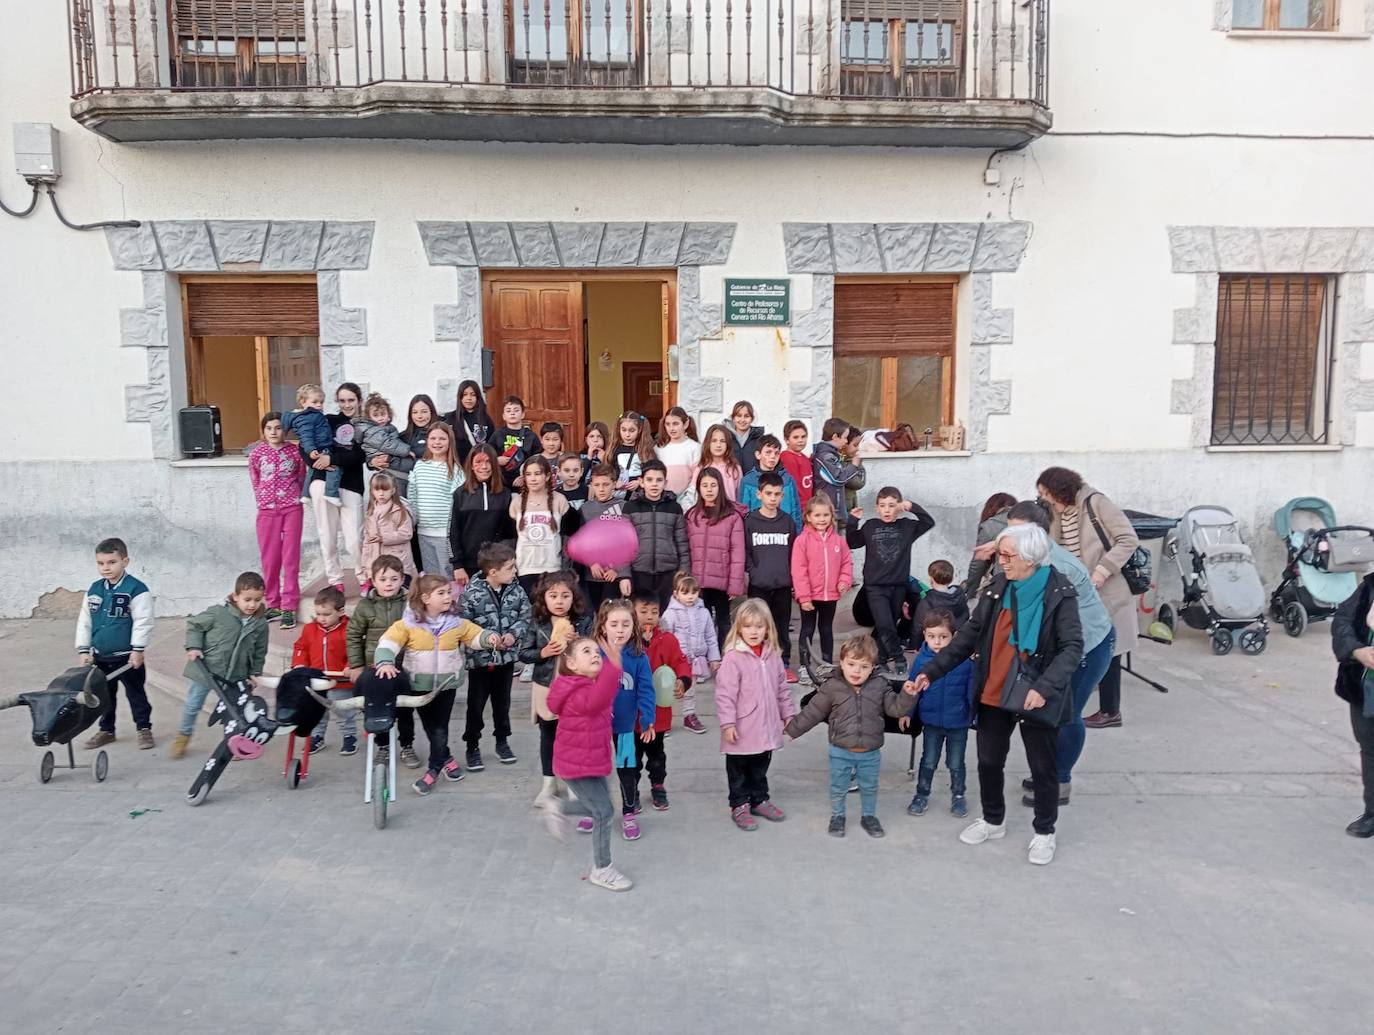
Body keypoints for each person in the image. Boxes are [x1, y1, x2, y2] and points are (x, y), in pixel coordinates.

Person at [909, 524, 1084, 866]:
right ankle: (993, 820)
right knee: (989, 761)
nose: (1001, 562)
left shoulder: (1060, 592)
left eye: (1008, 555)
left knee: (1043, 767)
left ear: (1031, 557)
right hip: (994, 688)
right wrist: (931, 670)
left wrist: (1044, 687)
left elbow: (1071, 648)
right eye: (1000, 555)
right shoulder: (999, 587)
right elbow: (969, 635)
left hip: (1035, 692)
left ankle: (1044, 832)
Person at [1002, 500, 1115, 807]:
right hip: (1058, 646)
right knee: (1046, 714)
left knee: (1065, 713)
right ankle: (1047, 772)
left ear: (1036, 534)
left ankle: (1059, 780)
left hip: (1087, 646)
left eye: (1015, 532)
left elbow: (1063, 633)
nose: (1006, 540)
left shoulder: (1059, 569)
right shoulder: (1022, 558)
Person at [373, 573, 500, 795]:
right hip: (418, 687)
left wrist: (488, 638)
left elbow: (474, 635)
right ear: (425, 598)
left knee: (439, 727)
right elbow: (388, 643)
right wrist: (384, 662)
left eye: (449, 592)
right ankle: (447, 757)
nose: (448, 597)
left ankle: (433, 770)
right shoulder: (407, 624)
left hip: (446, 686)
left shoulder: (457, 623)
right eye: (441, 593)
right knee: (432, 728)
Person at [1036, 466, 1140, 729]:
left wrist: (1103, 571)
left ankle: (1110, 711)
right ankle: (1088, 690)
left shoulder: (1096, 502)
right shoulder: (1060, 512)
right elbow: (1055, 546)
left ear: (1060, 490)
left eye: (1045, 493)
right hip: (1079, 590)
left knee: (1110, 648)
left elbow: (1128, 539)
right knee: (1080, 643)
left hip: (1106, 588)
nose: (1043, 499)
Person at [786, 633, 916, 838]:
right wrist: (792, 730)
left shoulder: (880, 685)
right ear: (842, 663)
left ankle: (869, 816)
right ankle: (838, 816)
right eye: (852, 664)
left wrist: (907, 694)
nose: (857, 671)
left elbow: (895, 709)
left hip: (870, 752)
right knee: (838, 787)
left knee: (870, 787)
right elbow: (813, 712)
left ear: (873, 667)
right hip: (840, 750)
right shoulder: (832, 687)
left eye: (864, 666)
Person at [545, 637, 634, 891]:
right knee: (604, 812)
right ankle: (602, 869)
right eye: (587, 651)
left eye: (597, 651)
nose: (596, 655)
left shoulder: (586, 684)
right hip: (578, 765)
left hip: (591, 761)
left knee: (599, 808)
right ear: (571, 663)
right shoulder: (576, 690)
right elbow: (597, 700)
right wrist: (613, 667)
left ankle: (558, 806)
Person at [715, 598, 795, 831]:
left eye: (759, 626)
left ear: (767, 628)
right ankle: (739, 804)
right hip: (742, 726)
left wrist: (787, 714)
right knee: (739, 767)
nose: (753, 631)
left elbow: (782, 688)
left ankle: (759, 799)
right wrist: (728, 723)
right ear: (739, 628)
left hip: (766, 724)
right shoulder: (733, 658)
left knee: (761, 764)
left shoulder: (773, 656)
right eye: (748, 626)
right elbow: (725, 694)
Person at [173, 572, 269, 760]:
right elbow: (195, 625)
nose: (252, 605)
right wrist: (194, 646)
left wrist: (254, 672)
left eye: (257, 600)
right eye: (247, 599)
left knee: (235, 710)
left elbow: (260, 650)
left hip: (237, 675)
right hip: (208, 670)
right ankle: (183, 735)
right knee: (193, 704)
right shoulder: (218, 613)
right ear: (235, 597)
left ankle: (236, 743)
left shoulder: (260, 623)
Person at [846, 487, 937, 677]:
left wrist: (912, 507)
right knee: (886, 625)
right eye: (882, 506)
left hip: (898, 586)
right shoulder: (870, 526)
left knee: (884, 627)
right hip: (875, 587)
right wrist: (853, 521)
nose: (887, 510)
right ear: (877, 508)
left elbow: (928, 522)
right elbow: (852, 542)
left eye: (892, 505)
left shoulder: (907, 527)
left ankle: (878, 660)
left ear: (899, 507)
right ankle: (898, 657)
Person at [458, 543, 533, 771]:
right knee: (476, 705)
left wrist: (513, 635)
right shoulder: (471, 593)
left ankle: (502, 741)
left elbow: (525, 615)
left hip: (506, 660)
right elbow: (463, 624)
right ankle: (472, 746)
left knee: (503, 704)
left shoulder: (517, 590)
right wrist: (485, 638)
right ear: (493, 571)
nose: (515, 572)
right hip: (480, 662)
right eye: (510, 568)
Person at [76, 537, 155, 751]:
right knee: (104, 697)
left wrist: (138, 650)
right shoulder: (94, 589)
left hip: (127, 658)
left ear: (125, 561)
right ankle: (106, 730)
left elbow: (143, 621)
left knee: (136, 694)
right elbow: (85, 620)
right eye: (101, 563)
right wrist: (84, 649)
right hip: (100, 656)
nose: (106, 568)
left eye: (112, 562)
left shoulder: (137, 589)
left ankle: (143, 728)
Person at [521, 571, 591, 809]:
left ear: (574, 598)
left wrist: (578, 641)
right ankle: (549, 783)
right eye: (553, 596)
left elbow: (594, 652)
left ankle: (573, 784)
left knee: (573, 738)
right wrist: (544, 653)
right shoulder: (538, 623)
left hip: (574, 690)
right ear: (544, 598)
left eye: (565, 596)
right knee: (548, 736)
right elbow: (524, 653)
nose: (559, 601)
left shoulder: (582, 622)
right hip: (545, 687)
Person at [346, 556, 417, 768]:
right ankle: (383, 747)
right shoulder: (365, 606)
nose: (389, 583)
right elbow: (353, 635)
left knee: (405, 710)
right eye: (383, 579)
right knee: (378, 711)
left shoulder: (410, 605)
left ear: (402, 579)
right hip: (374, 670)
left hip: (402, 669)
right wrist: (357, 665)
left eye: (394, 579)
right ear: (373, 581)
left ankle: (407, 746)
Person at [902, 611, 974, 817]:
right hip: (931, 722)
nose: (937, 641)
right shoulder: (920, 662)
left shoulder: (965, 662)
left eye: (943, 637)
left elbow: (971, 691)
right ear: (924, 634)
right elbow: (912, 690)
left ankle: (958, 795)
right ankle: (922, 795)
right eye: (932, 636)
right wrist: (907, 712)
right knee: (929, 760)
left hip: (958, 722)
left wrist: (975, 716)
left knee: (956, 762)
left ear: (954, 636)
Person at [597, 599, 656, 840]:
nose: (620, 629)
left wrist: (648, 719)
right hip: (596, 728)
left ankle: (629, 813)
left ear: (634, 627)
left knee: (626, 769)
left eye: (626, 624)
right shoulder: (592, 654)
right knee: (596, 770)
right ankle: (595, 812)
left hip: (625, 727)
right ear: (603, 626)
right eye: (614, 624)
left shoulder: (638, 657)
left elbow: (646, 689)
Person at [632, 593, 691, 808]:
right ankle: (631, 790)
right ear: (632, 612)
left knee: (657, 754)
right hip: (631, 715)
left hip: (657, 714)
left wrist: (683, 681)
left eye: (654, 612)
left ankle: (658, 785)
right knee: (633, 758)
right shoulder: (625, 640)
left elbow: (681, 663)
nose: (649, 617)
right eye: (643, 612)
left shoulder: (667, 639)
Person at [248, 411, 306, 628]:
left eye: (278, 428)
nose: (273, 432)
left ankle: (289, 606)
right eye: (269, 428)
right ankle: (273, 603)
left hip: (291, 509)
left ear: (285, 430)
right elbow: (255, 480)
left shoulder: (295, 453)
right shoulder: (257, 454)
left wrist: (292, 498)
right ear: (263, 430)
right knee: (270, 559)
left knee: (290, 558)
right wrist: (265, 501)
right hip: (266, 512)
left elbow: (301, 476)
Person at [310, 383, 368, 593]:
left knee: (355, 539)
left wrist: (332, 458)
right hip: (323, 483)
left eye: (351, 400)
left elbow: (360, 455)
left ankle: (364, 576)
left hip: (351, 485)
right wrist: (318, 462)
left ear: (359, 401)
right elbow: (307, 447)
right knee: (327, 535)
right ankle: (335, 580)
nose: (346, 405)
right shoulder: (328, 421)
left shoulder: (364, 425)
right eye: (342, 401)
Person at [744, 472, 799, 680]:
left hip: (782, 585)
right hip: (759, 585)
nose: (773, 498)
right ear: (759, 494)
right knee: (755, 625)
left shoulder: (787, 522)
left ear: (782, 496)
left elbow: (794, 552)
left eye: (777, 494)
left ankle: (783, 663)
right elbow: (746, 551)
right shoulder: (750, 521)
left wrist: (792, 579)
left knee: (781, 626)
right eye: (768, 493)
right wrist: (753, 572)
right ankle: (755, 662)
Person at [685, 467, 747, 651]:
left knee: (723, 621)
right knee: (698, 622)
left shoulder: (732, 516)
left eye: (713, 485)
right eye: (704, 485)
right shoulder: (692, 516)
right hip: (697, 581)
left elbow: (737, 551)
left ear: (720, 487)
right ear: (698, 488)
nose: (709, 489)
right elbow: (687, 549)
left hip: (722, 579)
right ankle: (701, 660)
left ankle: (723, 658)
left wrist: (735, 584)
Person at [1333, 569, 1374, 838]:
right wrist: (1356, 650)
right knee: (1370, 749)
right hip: (1364, 688)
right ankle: (1372, 813)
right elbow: (1342, 621)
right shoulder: (1369, 588)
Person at [791, 494, 853, 671]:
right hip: (809, 596)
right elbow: (799, 570)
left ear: (832, 516)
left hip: (830, 595)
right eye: (817, 515)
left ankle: (826, 664)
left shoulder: (838, 541)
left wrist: (844, 582)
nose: (822, 519)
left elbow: (846, 563)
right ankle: (805, 666)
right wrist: (804, 597)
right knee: (807, 629)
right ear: (809, 517)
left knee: (826, 629)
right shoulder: (802, 541)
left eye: (825, 515)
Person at [291, 586, 356, 755]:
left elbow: (355, 649)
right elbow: (301, 647)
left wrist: (350, 665)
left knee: (343, 711)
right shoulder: (310, 629)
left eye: (327, 615)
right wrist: (299, 664)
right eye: (318, 614)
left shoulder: (349, 630)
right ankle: (317, 737)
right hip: (317, 681)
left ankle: (349, 736)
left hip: (340, 681)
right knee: (317, 711)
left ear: (340, 612)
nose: (321, 619)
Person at [620, 459, 690, 611]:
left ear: (665, 483)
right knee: (640, 615)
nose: (654, 484)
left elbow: (682, 543)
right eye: (649, 480)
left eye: (659, 480)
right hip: (639, 572)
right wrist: (624, 575)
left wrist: (683, 573)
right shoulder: (630, 507)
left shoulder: (674, 507)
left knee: (665, 617)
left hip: (668, 573)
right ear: (641, 482)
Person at [448, 443, 515, 592]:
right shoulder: (460, 494)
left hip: (498, 565)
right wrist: (457, 565)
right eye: (478, 462)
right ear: (471, 466)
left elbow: (511, 533)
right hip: (468, 566)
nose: (484, 467)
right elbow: (452, 532)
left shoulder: (505, 494)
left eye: (488, 461)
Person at [660, 573, 717, 734]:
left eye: (694, 592)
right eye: (685, 593)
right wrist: (663, 659)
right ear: (676, 593)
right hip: (674, 661)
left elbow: (711, 636)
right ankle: (663, 720)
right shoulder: (670, 614)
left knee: (690, 690)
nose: (690, 596)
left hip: (694, 660)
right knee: (668, 690)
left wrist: (713, 658)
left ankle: (689, 715)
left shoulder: (704, 613)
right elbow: (663, 637)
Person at [407, 421, 464, 577]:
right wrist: (412, 520)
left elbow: (458, 503)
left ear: (449, 441)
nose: (437, 442)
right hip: (424, 532)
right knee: (432, 577)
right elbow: (412, 495)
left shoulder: (455, 470)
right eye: (433, 438)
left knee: (448, 575)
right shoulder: (419, 466)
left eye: (442, 439)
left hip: (444, 534)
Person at [511, 455, 569, 601]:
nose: (533, 478)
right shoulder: (517, 502)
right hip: (525, 568)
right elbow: (510, 538)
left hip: (552, 568)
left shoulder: (559, 500)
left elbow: (568, 537)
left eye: (537, 474)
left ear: (547, 476)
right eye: (529, 474)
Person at [578, 464, 628, 610]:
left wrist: (617, 568)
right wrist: (592, 563)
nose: (601, 489)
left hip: (614, 574)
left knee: (612, 613)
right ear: (591, 485)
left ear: (614, 484)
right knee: (597, 613)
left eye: (606, 484)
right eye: (597, 485)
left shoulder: (624, 507)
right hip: (593, 573)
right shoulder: (586, 508)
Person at [283, 383, 340, 504]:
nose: (319, 405)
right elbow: (306, 435)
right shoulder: (307, 417)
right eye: (315, 402)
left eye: (321, 402)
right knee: (335, 468)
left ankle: (305, 495)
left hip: (318, 445)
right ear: (303, 402)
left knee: (312, 470)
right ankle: (331, 493)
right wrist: (311, 449)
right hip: (320, 447)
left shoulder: (311, 415)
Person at [360, 472, 416, 587]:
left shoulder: (399, 510)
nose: (381, 494)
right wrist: (366, 566)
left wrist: (384, 537)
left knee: (401, 593)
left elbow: (406, 534)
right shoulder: (370, 513)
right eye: (377, 490)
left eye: (385, 490)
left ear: (393, 490)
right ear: (372, 491)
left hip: (398, 561)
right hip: (377, 564)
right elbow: (367, 542)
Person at [738, 434, 803, 528]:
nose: (773, 456)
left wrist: (797, 535)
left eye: (776, 453)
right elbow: (743, 512)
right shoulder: (748, 480)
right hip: (757, 533)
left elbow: (796, 511)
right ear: (758, 455)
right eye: (768, 452)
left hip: (784, 530)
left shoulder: (787, 479)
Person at [812, 417, 864, 533]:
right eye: (845, 437)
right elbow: (838, 479)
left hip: (834, 512)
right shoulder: (825, 457)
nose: (846, 441)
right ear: (835, 437)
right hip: (826, 513)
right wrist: (854, 465)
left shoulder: (832, 454)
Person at [353, 394, 417, 487]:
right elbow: (386, 444)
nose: (380, 418)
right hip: (383, 461)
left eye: (383, 414)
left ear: (388, 414)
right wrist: (406, 451)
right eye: (376, 415)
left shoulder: (386, 428)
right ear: (369, 418)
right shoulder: (373, 430)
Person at [962, 492, 1017, 595]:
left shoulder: (990, 526)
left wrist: (970, 591)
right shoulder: (1029, 522)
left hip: (1004, 582)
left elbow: (978, 563)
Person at [688, 424, 743, 505]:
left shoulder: (735, 468)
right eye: (714, 441)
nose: (718, 445)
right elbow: (693, 495)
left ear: (728, 444)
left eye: (722, 441)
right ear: (708, 443)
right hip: (706, 514)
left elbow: (740, 496)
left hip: (730, 514)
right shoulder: (700, 468)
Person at [911, 559, 970, 635]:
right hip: (954, 639)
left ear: (931, 579)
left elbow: (918, 628)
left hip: (934, 641)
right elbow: (965, 615)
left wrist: (914, 646)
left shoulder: (927, 603)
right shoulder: (960, 595)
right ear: (951, 579)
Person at [494, 396, 541, 486]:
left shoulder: (531, 436)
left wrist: (525, 476)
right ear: (504, 416)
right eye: (508, 411)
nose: (512, 413)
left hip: (526, 482)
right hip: (502, 482)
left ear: (523, 414)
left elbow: (538, 458)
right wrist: (496, 460)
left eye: (516, 410)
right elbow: (487, 454)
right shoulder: (497, 435)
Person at [655, 405, 700, 498]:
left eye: (675, 424)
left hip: (687, 500)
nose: (671, 428)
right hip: (663, 500)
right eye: (667, 424)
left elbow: (697, 477)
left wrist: (688, 499)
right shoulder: (659, 448)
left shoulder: (695, 448)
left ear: (686, 424)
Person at [445, 379, 495, 463]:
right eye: (465, 395)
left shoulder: (485, 418)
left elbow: (491, 443)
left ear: (477, 397)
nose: (469, 398)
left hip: (479, 465)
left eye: (473, 395)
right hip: (459, 464)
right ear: (460, 397)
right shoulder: (451, 418)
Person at [611, 411, 655, 492]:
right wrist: (614, 483)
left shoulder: (645, 450)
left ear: (639, 430)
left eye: (631, 431)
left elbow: (653, 471)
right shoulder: (614, 450)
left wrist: (639, 482)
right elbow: (609, 470)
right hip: (620, 494)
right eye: (623, 430)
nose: (627, 434)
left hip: (640, 493)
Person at [780, 419, 814, 507]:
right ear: (787, 440)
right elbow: (793, 486)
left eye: (803, 437)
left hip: (809, 505)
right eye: (795, 437)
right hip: (798, 506)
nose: (800, 440)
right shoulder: (787, 458)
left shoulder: (804, 457)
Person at [729, 400, 765, 476]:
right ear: (733, 418)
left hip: (753, 484)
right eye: (739, 416)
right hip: (731, 483)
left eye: (746, 416)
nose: (742, 420)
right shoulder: (726, 438)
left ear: (752, 418)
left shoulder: (760, 439)